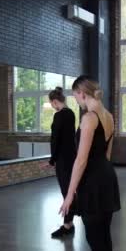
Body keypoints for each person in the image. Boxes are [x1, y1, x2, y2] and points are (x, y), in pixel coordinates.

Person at [59, 75, 120, 251]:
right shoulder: (108, 116)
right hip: (106, 177)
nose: (76, 101)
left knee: (96, 239)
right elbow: (107, 155)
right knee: (103, 236)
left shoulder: (89, 118)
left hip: (93, 182)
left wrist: (70, 193)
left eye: (75, 96)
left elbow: (81, 159)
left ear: (82, 93)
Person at [45, 86, 78, 238]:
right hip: (72, 157)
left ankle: (67, 225)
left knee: (66, 192)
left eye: (52, 103)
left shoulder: (59, 116)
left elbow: (55, 140)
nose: (52, 106)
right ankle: (69, 222)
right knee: (70, 190)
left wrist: (52, 160)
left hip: (63, 161)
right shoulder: (71, 114)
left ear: (56, 101)